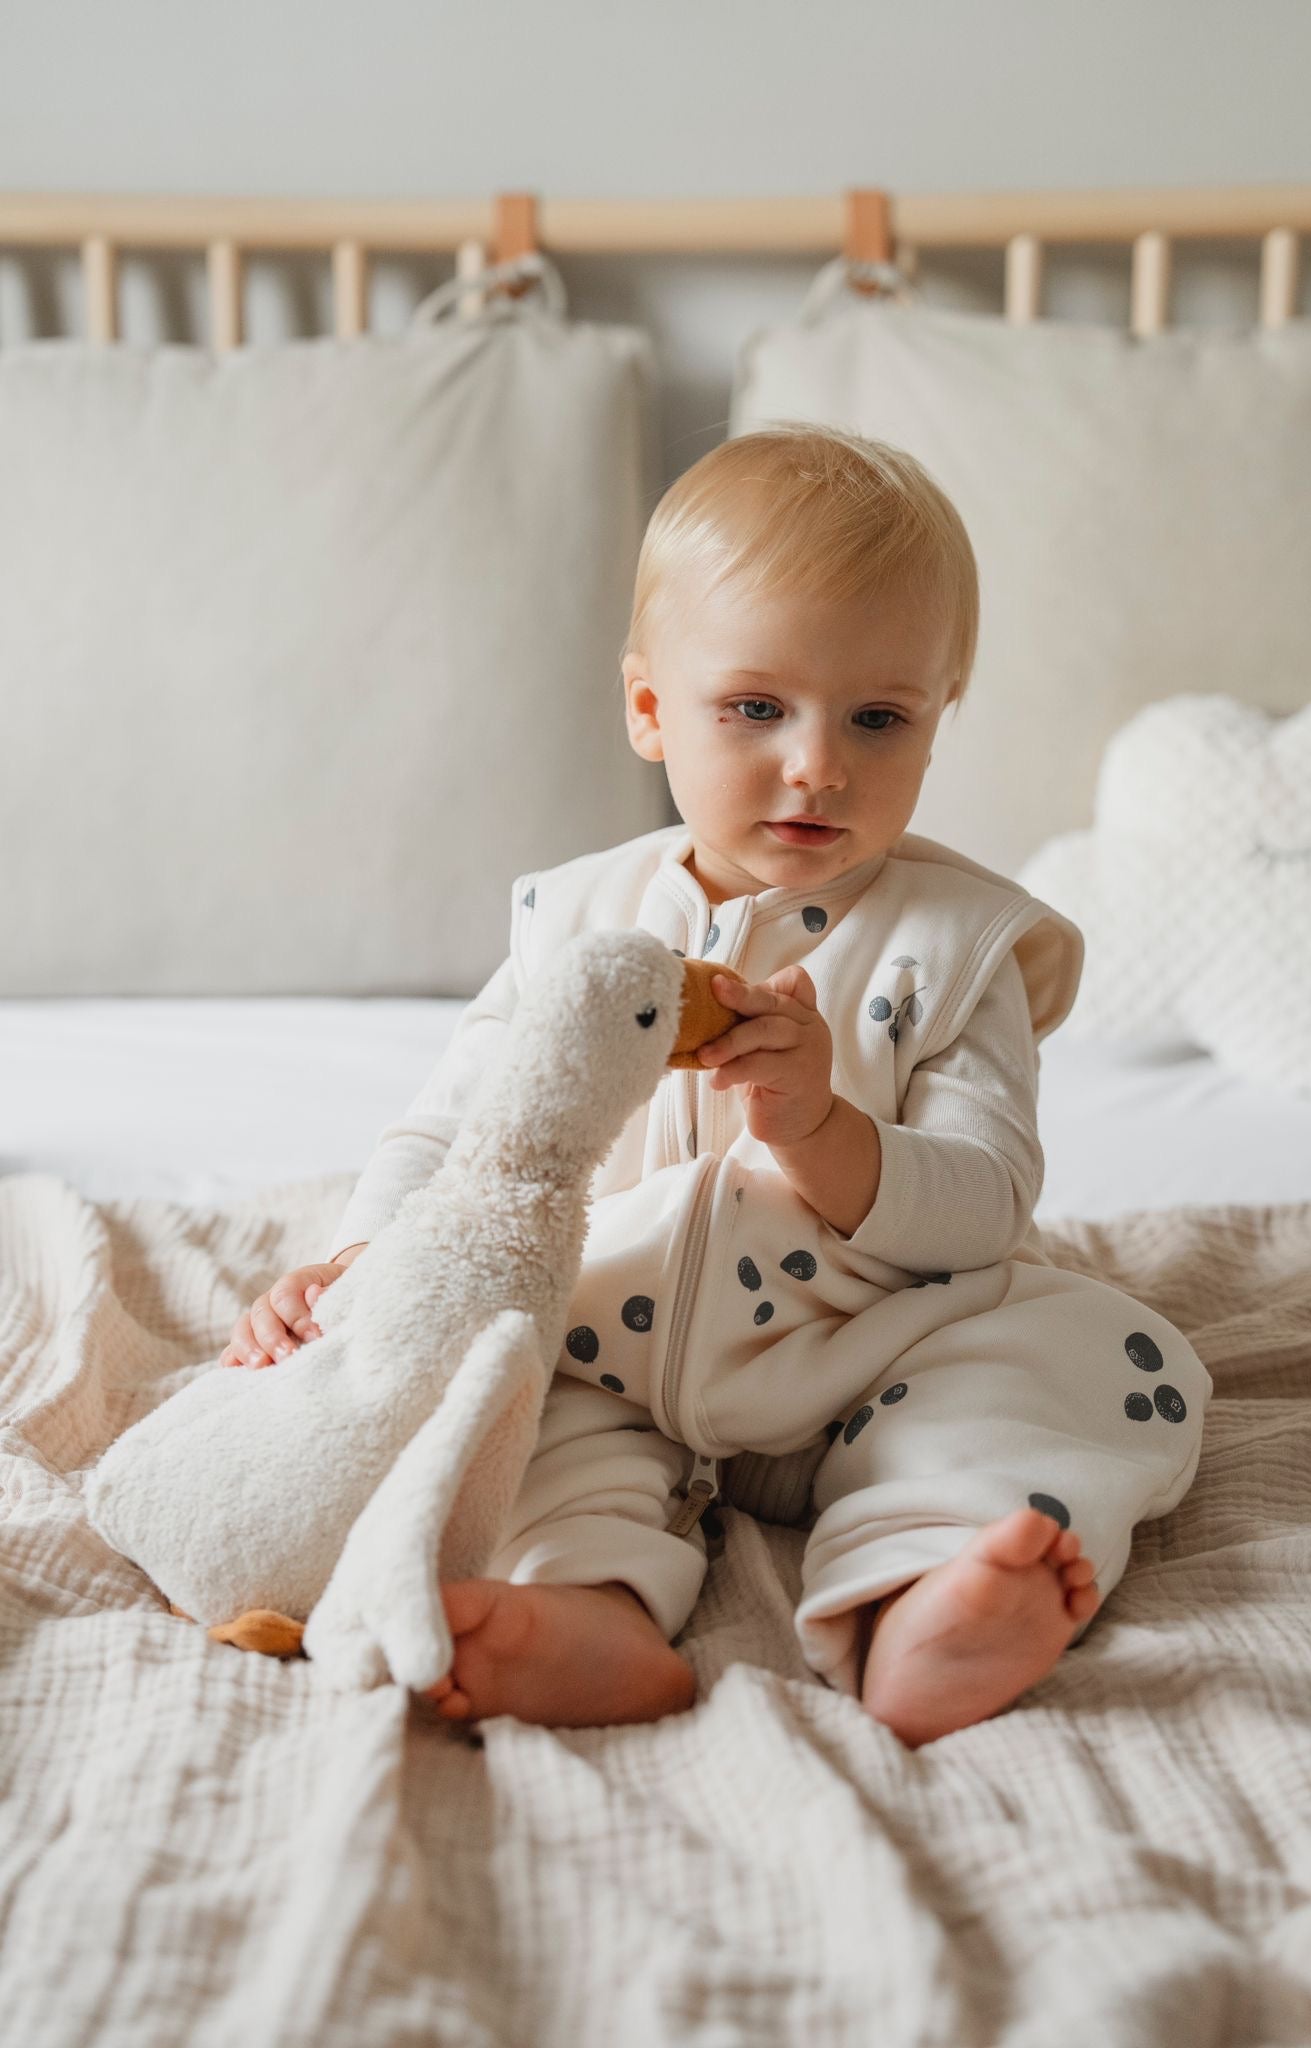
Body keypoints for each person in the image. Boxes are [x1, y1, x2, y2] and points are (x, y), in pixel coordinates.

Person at [219, 425, 1211, 1745]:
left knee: (1054, 1368)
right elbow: (450, 1131)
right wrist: (358, 1260)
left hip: (877, 1343)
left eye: (878, 717)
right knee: (496, 1416)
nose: (816, 764)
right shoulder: (576, 927)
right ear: (647, 709)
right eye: (755, 709)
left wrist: (820, 1129)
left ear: (937, 716)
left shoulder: (962, 949)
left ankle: (923, 1602)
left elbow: (981, 1207)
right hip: (602, 1337)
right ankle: (588, 1615)